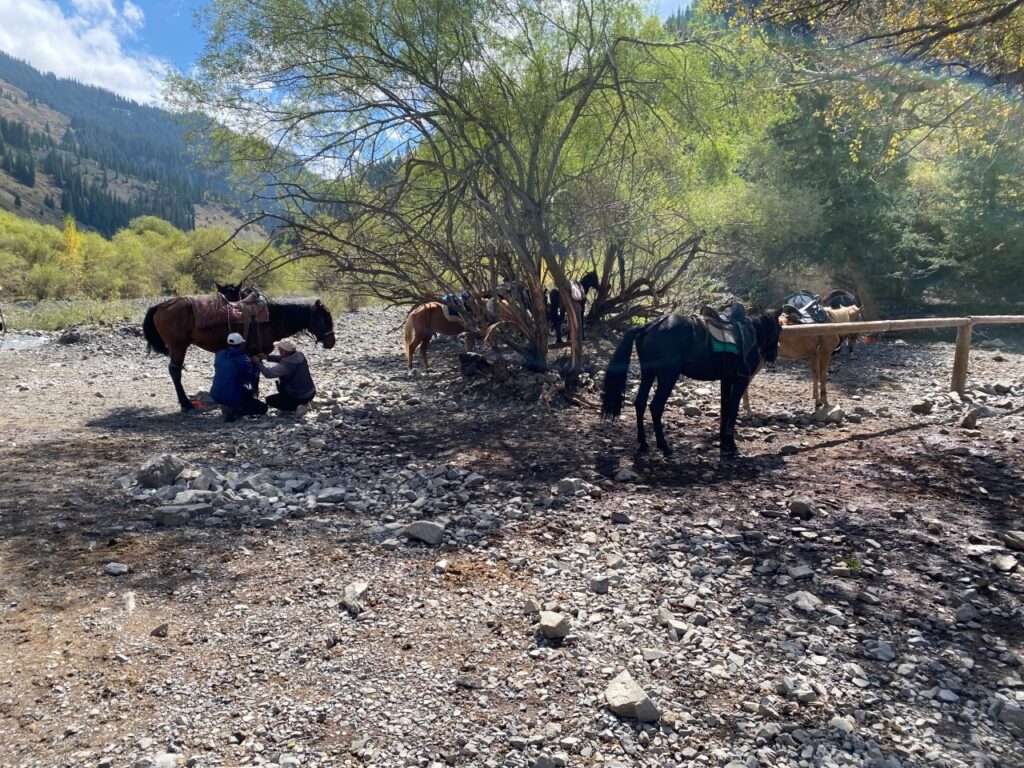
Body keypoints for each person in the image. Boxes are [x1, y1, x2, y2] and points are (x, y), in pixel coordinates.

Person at [211, 332, 267, 422]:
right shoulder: (244, 359)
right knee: (263, 408)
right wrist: (256, 364)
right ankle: (235, 410)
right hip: (234, 398)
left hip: (216, 395)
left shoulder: (219, 354)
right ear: (241, 344)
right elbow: (253, 378)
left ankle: (226, 406)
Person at [256, 338, 316, 416]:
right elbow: (284, 358)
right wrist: (268, 357)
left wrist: (258, 362)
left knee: (270, 400)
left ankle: (298, 406)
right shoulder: (299, 354)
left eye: (279, 349)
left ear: (284, 351)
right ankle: (300, 403)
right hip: (311, 392)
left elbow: (268, 374)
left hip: (299, 396)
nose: (278, 350)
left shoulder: (287, 365)